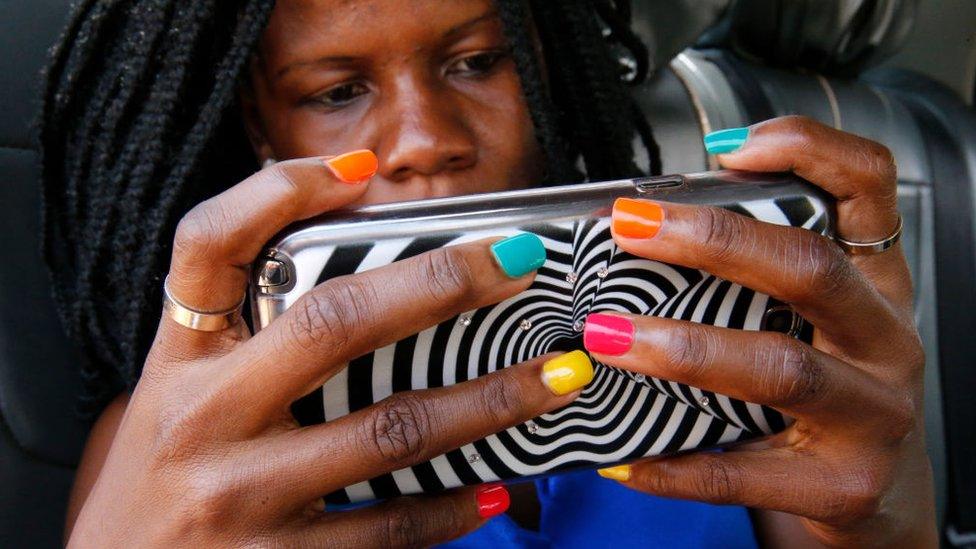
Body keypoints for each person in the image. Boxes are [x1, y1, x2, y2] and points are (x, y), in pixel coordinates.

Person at [39, 0, 936, 546]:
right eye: (335, 90)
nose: (428, 136)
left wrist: (889, 516)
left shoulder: (713, 346)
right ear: (263, 128)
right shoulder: (188, 441)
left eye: (476, 61)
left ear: (545, 70)